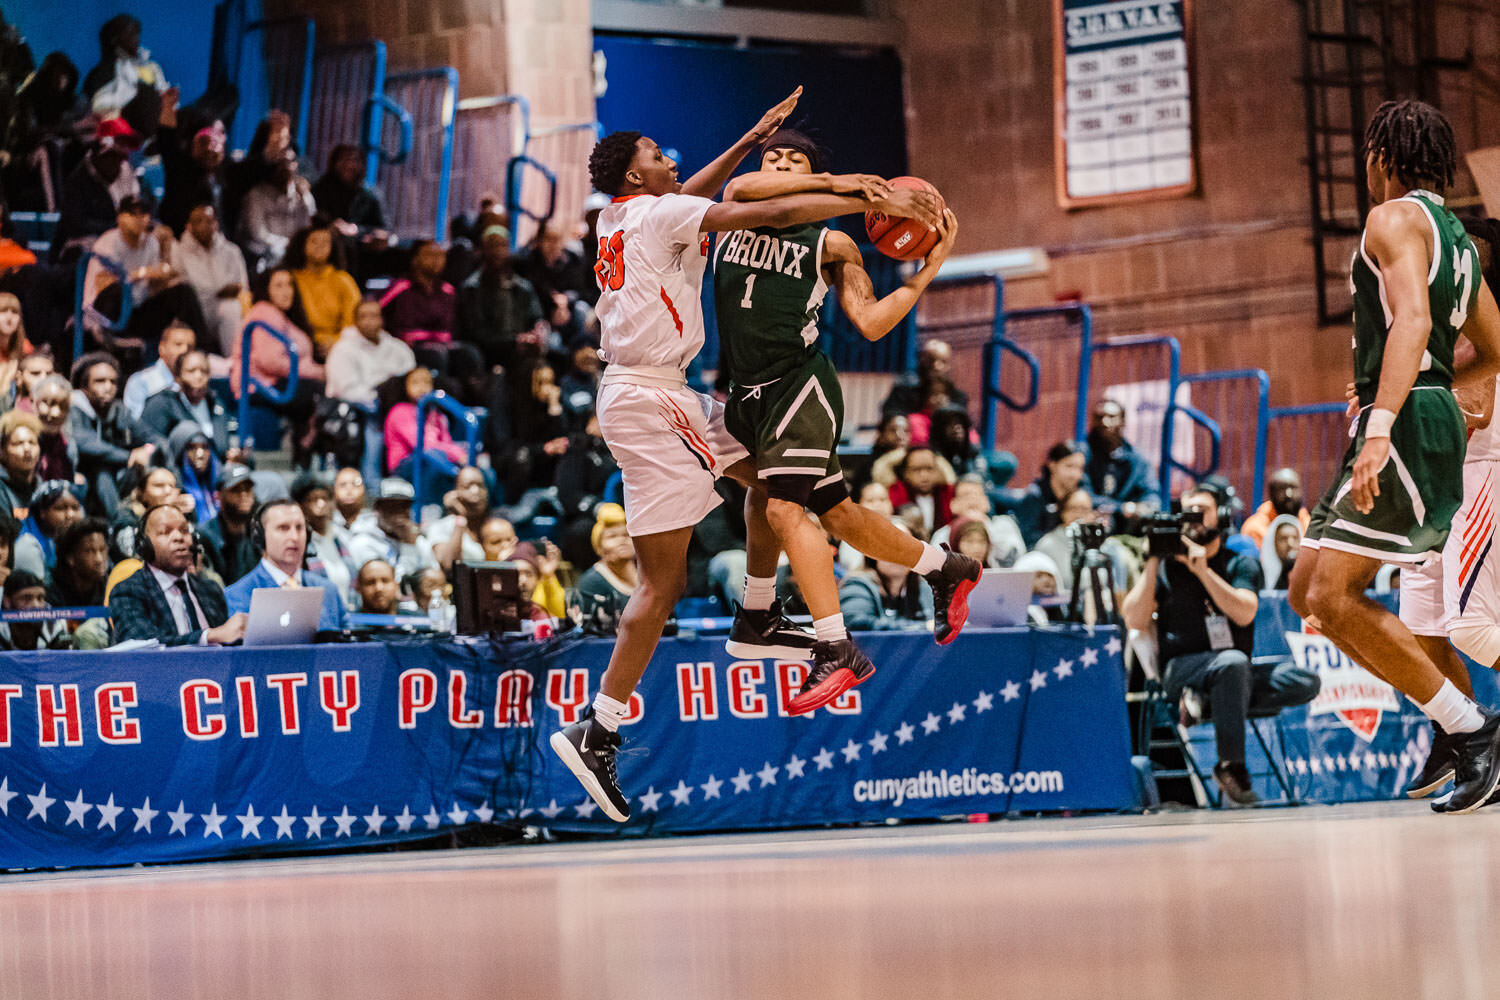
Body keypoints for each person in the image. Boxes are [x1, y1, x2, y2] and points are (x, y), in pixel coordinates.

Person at [548, 93, 946, 823]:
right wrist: (850, 188)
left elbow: (700, 192)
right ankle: (598, 729)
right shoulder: (665, 212)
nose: (672, 161)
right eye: (658, 156)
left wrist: (749, 138)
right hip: (651, 400)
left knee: (780, 487)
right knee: (660, 587)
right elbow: (753, 210)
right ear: (639, 178)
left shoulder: (622, 213)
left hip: (665, 393)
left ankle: (760, 616)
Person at [711, 125, 979, 706]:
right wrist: (862, 190)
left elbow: (873, 322)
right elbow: (747, 182)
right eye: (773, 156)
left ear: (812, 175)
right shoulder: (733, 205)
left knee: (783, 506)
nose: (779, 165)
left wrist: (927, 271)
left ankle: (835, 647)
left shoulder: (833, 244)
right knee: (840, 515)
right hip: (746, 391)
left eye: (794, 160)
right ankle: (944, 565)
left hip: (799, 386)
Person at [1290, 100, 1500, 815]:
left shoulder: (1392, 218)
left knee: (1331, 597)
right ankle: (1455, 722)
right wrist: (1435, 383)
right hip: (1415, 407)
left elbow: (1411, 317)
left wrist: (1387, 416)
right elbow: (1497, 351)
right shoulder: (1463, 243)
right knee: (1304, 587)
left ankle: (1472, 729)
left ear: (1381, 158)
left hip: (1405, 422)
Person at [1123, 488, 1272, 805]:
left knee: (1301, 680)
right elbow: (1134, 621)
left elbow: (1244, 614)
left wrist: (1202, 570)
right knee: (1233, 664)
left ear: (1220, 515)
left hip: (1232, 673)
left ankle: (1202, 700)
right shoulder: (1165, 568)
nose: (1192, 517)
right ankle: (1231, 766)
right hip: (1181, 669)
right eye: (1186, 511)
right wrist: (1152, 560)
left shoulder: (1240, 563)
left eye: (1201, 510)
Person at [107, 503, 246, 646]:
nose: (179, 537)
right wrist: (207, 636)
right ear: (144, 545)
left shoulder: (211, 590)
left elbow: (227, 643)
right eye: (165, 532)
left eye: (185, 530)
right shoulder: (128, 590)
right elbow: (140, 644)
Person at [84, 197, 209, 352]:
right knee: (117, 290)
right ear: (119, 217)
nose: (138, 219)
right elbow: (104, 288)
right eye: (132, 214)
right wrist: (141, 273)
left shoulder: (151, 243)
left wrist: (164, 267)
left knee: (182, 291)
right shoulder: (107, 243)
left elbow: (152, 290)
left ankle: (203, 351)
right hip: (102, 318)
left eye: (143, 214)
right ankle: (112, 340)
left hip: (137, 314)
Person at [230, 267, 324, 466]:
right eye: (279, 285)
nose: (286, 291)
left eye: (290, 285)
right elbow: (270, 361)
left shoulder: (282, 316)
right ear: (266, 289)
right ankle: (308, 450)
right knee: (317, 393)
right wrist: (317, 372)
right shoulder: (265, 313)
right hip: (258, 385)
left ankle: (306, 451)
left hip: (274, 383)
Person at [325, 298, 415, 486]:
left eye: (374, 316)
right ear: (355, 320)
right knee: (376, 420)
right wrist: (378, 399)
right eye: (363, 316)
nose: (369, 321)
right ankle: (372, 482)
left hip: (395, 407)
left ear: (382, 319)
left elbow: (411, 378)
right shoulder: (343, 349)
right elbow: (345, 390)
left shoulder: (397, 348)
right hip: (356, 410)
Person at [224, 498, 347, 631]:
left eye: (300, 528)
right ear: (260, 536)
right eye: (283, 528)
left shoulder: (328, 591)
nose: (294, 537)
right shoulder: (236, 596)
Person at [67, 351, 164, 515]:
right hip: (82, 478)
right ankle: (117, 525)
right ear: (84, 386)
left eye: (112, 382)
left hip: (117, 477)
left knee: (145, 467)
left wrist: (145, 450)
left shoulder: (119, 410)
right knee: (101, 470)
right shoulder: (74, 406)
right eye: (100, 381)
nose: (108, 387)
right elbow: (85, 444)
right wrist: (129, 456)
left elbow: (155, 439)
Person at [456, 224, 546, 370]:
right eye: (493, 245)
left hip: (521, 346)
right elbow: (476, 333)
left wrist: (538, 331)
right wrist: (514, 341)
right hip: (489, 349)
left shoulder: (522, 287)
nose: (498, 251)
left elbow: (536, 318)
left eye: (503, 245)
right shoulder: (472, 288)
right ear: (483, 249)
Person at [382, 240, 472, 374]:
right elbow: (376, 313)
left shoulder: (448, 291)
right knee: (436, 357)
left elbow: (449, 329)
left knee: (469, 355)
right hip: (406, 348)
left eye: (440, 255)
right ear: (415, 260)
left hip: (441, 345)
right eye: (429, 255)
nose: (436, 260)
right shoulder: (401, 288)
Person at [173, 202, 248, 356]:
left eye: (208, 221)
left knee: (231, 307)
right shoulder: (179, 252)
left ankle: (235, 363)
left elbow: (243, 287)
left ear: (216, 224)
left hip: (225, 315)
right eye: (198, 221)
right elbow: (179, 290)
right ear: (188, 226)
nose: (204, 226)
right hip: (195, 316)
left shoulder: (231, 251)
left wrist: (230, 291)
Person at [384, 366, 468, 501]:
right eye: (415, 382)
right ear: (406, 386)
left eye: (426, 382)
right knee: (433, 457)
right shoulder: (399, 411)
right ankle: (428, 507)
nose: (422, 387)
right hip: (404, 465)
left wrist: (461, 454)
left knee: (473, 460)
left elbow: (446, 443)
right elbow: (423, 445)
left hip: (433, 458)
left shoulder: (436, 414)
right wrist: (458, 455)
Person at [141, 350, 238, 461]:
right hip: (175, 472)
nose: (198, 376)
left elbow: (223, 446)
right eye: (191, 371)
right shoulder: (161, 404)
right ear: (177, 376)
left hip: (216, 472)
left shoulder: (216, 403)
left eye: (204, 371)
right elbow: (150, 446)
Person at [82, 14, 168, 135]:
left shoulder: (151, 68)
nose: (136, 38)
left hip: (152, 138)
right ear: (114, 38)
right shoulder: (101, 73)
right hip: (117, 137)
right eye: (130, 33)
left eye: (136, 33)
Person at [287, 219, 360, 356]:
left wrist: (335, 341)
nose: (320, 247)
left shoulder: (343, 280)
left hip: (339, 347)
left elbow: (353, 323)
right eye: (314, 241)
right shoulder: (291, 278)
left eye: (325, 242)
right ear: (302, 245)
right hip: (297, 345)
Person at [1083, 398, 1161, 523]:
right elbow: (1082, 496)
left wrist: (1145, 508)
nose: (1105, 422)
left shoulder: (1137, 459)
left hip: (1129, 524)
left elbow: (1151, 493)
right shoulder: (1082, 454)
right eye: (1099, 417)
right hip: (1092, 521)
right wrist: (1120, 507)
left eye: (1111, 416)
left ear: (1123, 421)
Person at [346, 476, 436, 580]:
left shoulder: (417, 540)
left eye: (404, 506)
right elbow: (395, 585)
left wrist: (410, 541)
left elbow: (435, 577)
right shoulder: (362, 542)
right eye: (392, 507)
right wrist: (408, 546)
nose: (398, 514)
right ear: (377, 509)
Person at [239, 148, 315, 269]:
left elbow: (309, 223)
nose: (285, 168)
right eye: (280, 163)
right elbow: (258, 233)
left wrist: (306, 198)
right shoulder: (257, 194)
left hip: (295, 250)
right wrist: (287, 244)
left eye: (290, 162)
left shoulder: (301, 192)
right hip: (264, 252)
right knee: (276, 253)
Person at [293, 471, 358, 606]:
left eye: (325, 498)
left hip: (346, 617)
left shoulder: (339, 539)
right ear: (301, 506)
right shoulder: (297, 543)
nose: (321, 504)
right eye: (314, 499)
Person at [1013, 440, 1088, 548]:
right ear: (1052, 465)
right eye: (1069, 466)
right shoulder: (1035, 496)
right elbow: (1029, 541)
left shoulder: (1077, 495)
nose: (1075, 475)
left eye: (1080, 468)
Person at [197, 462, 258, 585]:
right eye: (236, 490)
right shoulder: (205, 536)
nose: (244, 495)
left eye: (248, 489)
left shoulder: (259, 532)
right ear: (218, 496)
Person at [573, 503, 637, 619]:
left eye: (627, 534)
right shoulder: (591, 582)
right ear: (599, 546)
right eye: (612, 536)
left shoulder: (646, 574)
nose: (622, 540)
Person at [880, 339, 969, 422]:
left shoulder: (957, 396)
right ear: (922, 361)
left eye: (943, 361)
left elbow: (962, 424)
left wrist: (947, 409)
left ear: (949, 365)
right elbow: (889, 415)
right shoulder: (904, 387)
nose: (936, 366)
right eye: (931, 360)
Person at [121, 320, 195, 419]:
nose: (184, 350)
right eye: (178, 344)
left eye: (190, 347)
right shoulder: (140, 382)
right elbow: (136, 425)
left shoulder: (198, 385)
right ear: (161, 348)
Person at [424, 465, 491, 573]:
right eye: (467, 486)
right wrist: (460, 519)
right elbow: (449, 565)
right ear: (455, 492)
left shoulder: (496, 525)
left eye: (481, 485)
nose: (475, 491)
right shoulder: (441, 527)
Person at [15, 479, 80, 577]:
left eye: (75, 508)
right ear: (42, 512)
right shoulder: (28, 546)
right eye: (60, 508)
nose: (70, 515)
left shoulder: (57, 538)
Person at [885, 446, 955, 536]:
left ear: (938, 470)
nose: (924, 476)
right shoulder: (895, 495)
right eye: (916, 470)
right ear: (905, 473)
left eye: (929, 468)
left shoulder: (949, 495)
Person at [47, 515, 109, 607]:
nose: (99, 559)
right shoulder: (50, 591)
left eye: (102, 550)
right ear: (70, 558)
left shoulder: (113, 587)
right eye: (90, 551)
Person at [0, 569, 70, 651]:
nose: (36, 605)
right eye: (26, 598)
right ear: (7, 601)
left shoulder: (55, 622)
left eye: (40, 598)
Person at [1240, 468, 1311, 548]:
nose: (1288, 494)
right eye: (1282, 488)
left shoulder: (1309, 523)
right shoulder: (1255, 527)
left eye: (1293, 487)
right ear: (1272, 494)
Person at [30, 374, 76, 484]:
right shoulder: (22, 440)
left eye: (63, 406)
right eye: (49, 404)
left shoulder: (68, 445)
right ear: (34, 403)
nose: (56, 413)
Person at [0, 408, 41, 520]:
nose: (27, 449)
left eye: (32, 442)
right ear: (2, 452)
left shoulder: (41, 487)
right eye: (18, 443)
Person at [1259, 514, 1302, 591]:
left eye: (1295, 538)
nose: (1290, 544)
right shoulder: (1261, 574)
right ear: (1274, 543)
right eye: (1283, 538)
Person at [333, 466, 376, 534]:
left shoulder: (375, 525)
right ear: (334, 489)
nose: (349, 490)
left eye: (355, 484)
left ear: (364, 489)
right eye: (343, 485)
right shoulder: (326, 524)